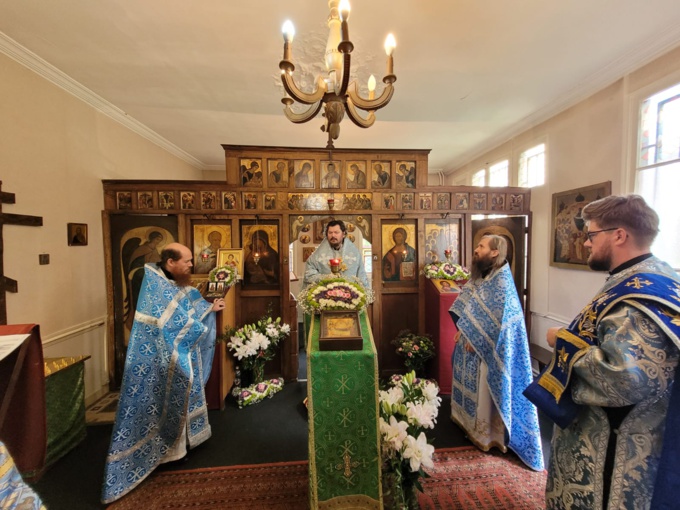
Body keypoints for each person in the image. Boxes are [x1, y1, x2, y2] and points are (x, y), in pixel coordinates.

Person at [524, 195, 680, 509]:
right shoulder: (652, 278)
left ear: (619, 235)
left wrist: (561, 341)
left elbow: (626, 379)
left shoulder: (642, 295)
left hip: (617, 453)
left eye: (592, 235)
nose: (584, 243)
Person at [102, 243, 226, 504]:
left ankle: (183, 444)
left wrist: (207, 309)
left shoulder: (169, 280)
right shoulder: (154, 285)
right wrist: (196, 324)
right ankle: (169, 452)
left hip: (175, 351)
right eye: (187, 261)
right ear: (170, 262)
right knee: (165, 399)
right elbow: (173, 321)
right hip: (159, 356)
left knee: (181, 392)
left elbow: (186, 304)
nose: (191, 265)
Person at [449, 235, 544, 472]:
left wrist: (476, 337)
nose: (476, 249)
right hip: (468, 343)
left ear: (494, 252)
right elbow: (467, 304)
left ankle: (487, 435)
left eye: (481, 246)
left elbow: (500, 323)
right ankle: (466, 425)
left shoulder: (501, 282)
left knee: (484, 391)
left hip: (486, 351)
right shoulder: (483, 276)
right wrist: (464, 329)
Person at [302, 219, 369, 289]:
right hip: (324, 295)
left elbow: (362, 277)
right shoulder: (317, 256)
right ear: (326, 234)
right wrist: (327, 278)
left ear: (343, 234)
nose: (333, 235)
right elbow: (309, 275)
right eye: (330, 232)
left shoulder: (355, 254)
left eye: (336, 232)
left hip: (350, 295)